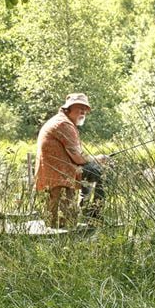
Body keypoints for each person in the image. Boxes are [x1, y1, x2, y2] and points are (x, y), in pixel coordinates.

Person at [35, 93, 109, 228]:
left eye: (85, 109)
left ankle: (87, 210)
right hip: (59, 175)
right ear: (68, 108)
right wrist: (97, 159)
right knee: (100, 172)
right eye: (80, 108)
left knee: (92, 171)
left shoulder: (62, 121)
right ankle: (93, 215)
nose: (83, 112)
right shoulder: (64, 124)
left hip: (59, 173)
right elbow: (78, 157)